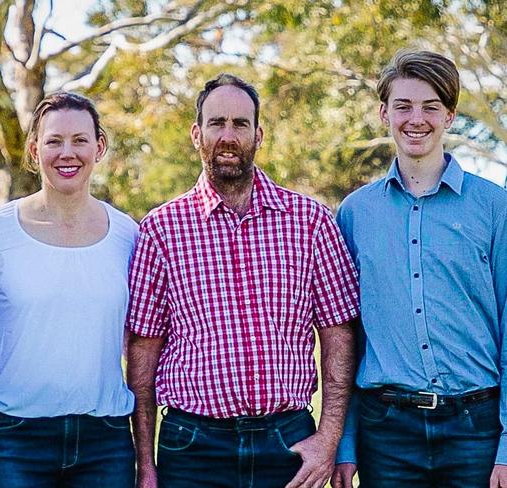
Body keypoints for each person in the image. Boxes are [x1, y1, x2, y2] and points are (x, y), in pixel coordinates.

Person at [126, 73, 360, 488]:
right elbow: (142, 355)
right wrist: (145, 463)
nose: (228, 135)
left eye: (240, 124)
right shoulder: (160, 230)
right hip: (192, 447)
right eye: (217, 123)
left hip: (287, 442)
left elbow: (339, 335)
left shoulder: (311, 222)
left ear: (259, 134)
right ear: (197, 134)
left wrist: (328, 440)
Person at [331, 50, 507, 488]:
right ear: (383, 113)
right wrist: (347, 442)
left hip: (476, 429)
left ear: (449, 116)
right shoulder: (355, 213)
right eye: (403, 106)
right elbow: (349, 335)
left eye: (430, 107)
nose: (416, 119)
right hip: (386, 431)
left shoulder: (494, 207)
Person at [0, 91, 137, 487]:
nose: (67, 152)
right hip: (13, 440)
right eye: (54, 141)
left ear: (99, 146)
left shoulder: (129, 235)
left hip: (106, 442)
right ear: (33, 149)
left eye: (79, 140)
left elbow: (137, 342)